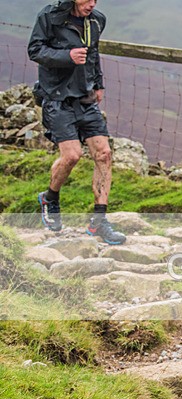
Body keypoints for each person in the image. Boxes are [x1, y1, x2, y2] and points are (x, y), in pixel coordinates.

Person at [28, 0, 126, 245]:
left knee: (103, 153)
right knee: (71, 156)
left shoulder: (96, 20)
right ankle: (50, 198)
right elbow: (35, 50)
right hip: (57, 97)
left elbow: (93, 52)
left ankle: (99, 222)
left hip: (85, 97)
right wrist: (67, 56)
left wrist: (99, 82)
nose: (92, 4)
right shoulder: (50, 16)